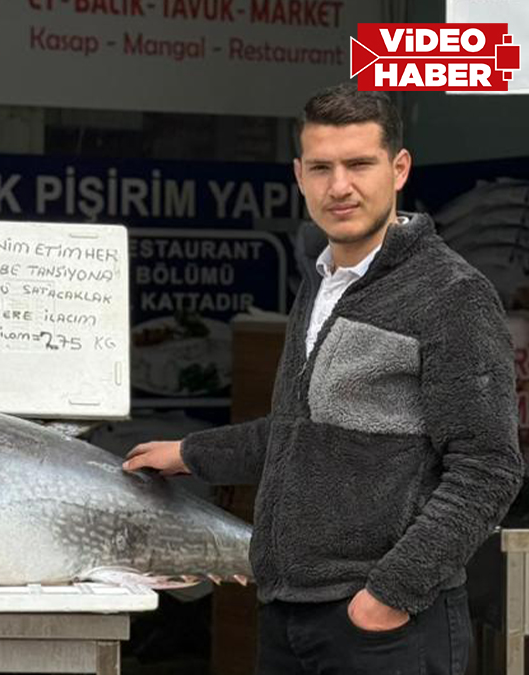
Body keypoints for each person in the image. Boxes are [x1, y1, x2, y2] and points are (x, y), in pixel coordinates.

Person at [124, 83, 523, 674]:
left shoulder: (451, 295)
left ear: (399, 168)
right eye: (321, 167)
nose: (339, 186)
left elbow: (489, 470)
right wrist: (189, 452)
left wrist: (389, 596)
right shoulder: (322, 283)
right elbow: (298, 433)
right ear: (299, 174)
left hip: (385, 629)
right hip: (290, 615)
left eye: (359, 164)